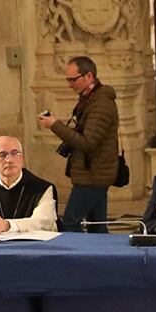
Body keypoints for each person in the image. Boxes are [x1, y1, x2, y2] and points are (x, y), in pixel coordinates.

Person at [40, 55, 121, 230]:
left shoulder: (101, 103)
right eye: (68, 80)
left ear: (89, 76)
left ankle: (73, 256)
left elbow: (87, 143)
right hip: (93, 172)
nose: (70, 84)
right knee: (97, 226)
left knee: (70, 223)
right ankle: (101, 256)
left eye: (73, 79)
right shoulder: (89, 98)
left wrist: (55, 125)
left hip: (94, 174)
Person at [0, 135, 57, 232]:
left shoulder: (42, 188)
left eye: (15, 153)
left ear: (23, 158)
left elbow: (44, 222)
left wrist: (7, 225)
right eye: (2, 155)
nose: (9, 160)